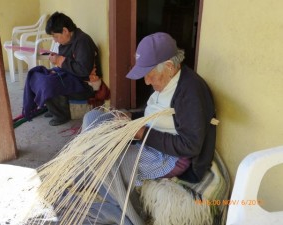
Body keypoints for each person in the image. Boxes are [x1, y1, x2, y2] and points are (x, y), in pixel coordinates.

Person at [75, 32, 217, 224]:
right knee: (93, 118)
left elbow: (190, 146)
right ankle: (90, 170)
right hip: (149, 136)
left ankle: (130, 216)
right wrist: (131, 116)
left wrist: (142, 133)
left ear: (169, 66)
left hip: (171, 157)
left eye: (150, 76)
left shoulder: (190, 93)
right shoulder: (167, 78)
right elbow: (157, 112)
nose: (146, 82)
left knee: (109, 162)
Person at [22, 12, 102, 126]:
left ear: (65, 31)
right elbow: (67, 61)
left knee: (47, 84)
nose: (54, 40)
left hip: (85, 84)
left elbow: (83, 70)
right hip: (71, 76)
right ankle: (52, 108)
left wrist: (59, 61)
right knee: (36, 74)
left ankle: (61, 115)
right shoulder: (68, 40)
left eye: (55, 36)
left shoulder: (83, 41)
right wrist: (57, 59)